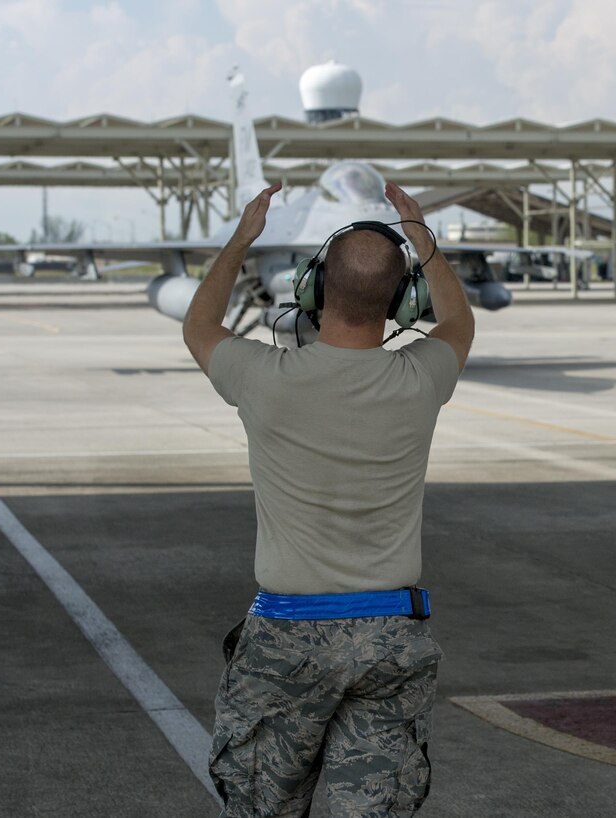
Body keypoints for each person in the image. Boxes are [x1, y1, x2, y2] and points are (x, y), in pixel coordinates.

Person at [182, 179, 474, 817]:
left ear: (312, 290)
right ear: (402, 300)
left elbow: (200, 324)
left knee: (263, 807)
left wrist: (240, 242)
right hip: (390, 642)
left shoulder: (263, 377)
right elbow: (459, 320)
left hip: (286, 637)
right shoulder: (422, 378)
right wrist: (420, 237)